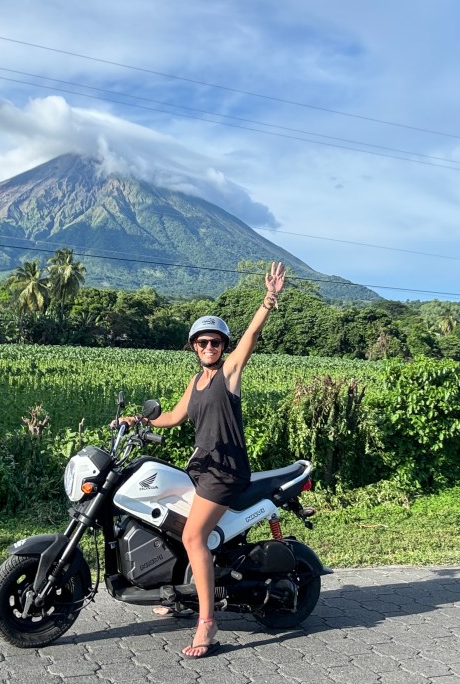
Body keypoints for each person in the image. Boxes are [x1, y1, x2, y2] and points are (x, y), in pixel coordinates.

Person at [116, 260, 285, 659]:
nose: (209, 347)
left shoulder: (229, 373)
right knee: (169, 520)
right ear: (193, 347)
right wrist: (137, 420)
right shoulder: (196, 381)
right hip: (200, 467)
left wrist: (268, 300)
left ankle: (207, 622)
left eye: (216, 342)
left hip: (226, 471)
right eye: (202, 342)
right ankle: (180, 594)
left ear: (223, 346)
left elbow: (251, 337)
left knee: (193, 536)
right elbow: (174, 417)